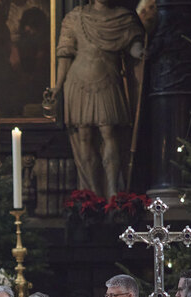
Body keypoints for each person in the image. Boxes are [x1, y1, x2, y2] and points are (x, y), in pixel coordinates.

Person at [46, 0, 144, 197]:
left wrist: (140, 50)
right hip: (78, 82)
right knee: (84, 135)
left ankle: (112, 190)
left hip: (107, 79)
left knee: (109, 132)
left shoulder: (123, 18)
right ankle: (92, 192)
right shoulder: (75, 17)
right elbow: (65, 56)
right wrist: (57, 86)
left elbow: (133, 46)